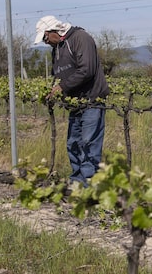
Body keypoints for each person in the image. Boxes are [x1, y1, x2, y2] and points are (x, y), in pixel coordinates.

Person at [34, 15, 110, 186]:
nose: (46, 42)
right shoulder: (57, 47)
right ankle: (76, 179)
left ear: (54, 30)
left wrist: (62, 88)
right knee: (73, 143)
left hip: (91, 100)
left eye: (45, 37)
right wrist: (53, 92)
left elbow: (87, 69)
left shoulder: (80, 38)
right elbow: (59, 74)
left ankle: (90, 185)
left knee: (89, 143)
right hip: (75, 103)